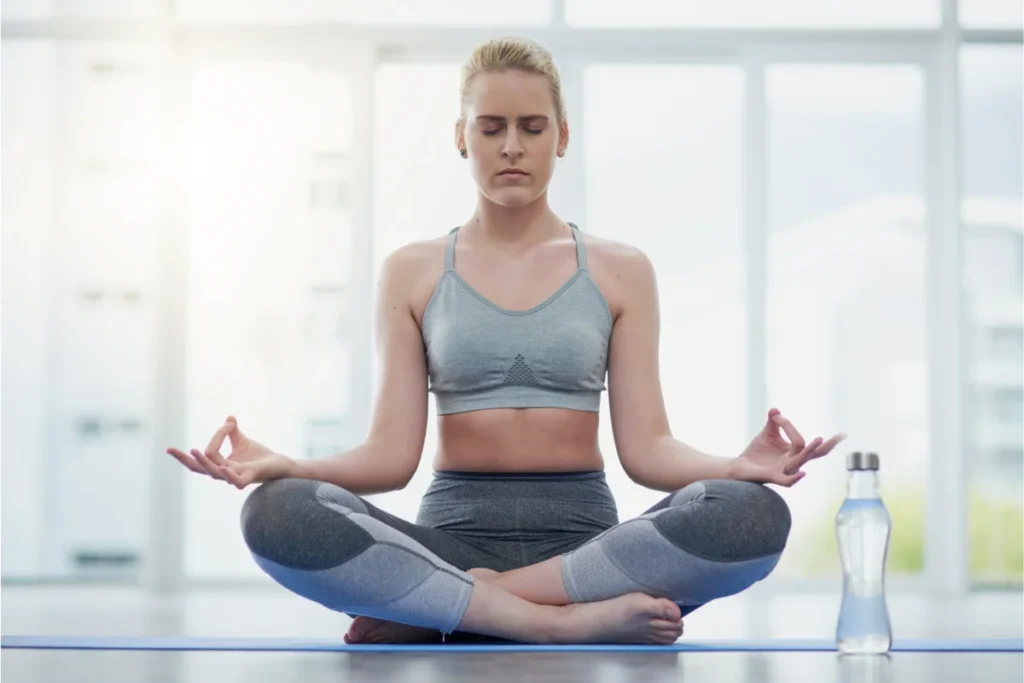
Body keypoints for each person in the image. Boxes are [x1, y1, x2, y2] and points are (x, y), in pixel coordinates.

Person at [167, 36, 846, 645]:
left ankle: (448, 610)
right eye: (491, 128)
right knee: (277, 512)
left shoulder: (622, 269)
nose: (512, 146)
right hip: (450, 542)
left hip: (591, 548)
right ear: (461, 137)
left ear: (563, 136)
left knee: (752, 515)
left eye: (531, 126)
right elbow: (389, 456)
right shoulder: (412, 270)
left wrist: (736, 467)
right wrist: (289, 462)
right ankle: (554, 620)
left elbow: (648, 450)